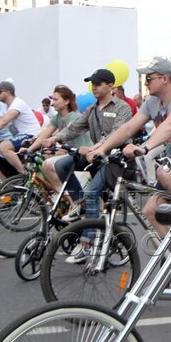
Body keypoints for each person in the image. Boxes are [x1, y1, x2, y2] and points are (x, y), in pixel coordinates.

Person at [87, 57, 171, 239]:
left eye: (149, 78)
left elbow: (170, 125)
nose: (145, 83)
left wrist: (144, 148)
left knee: (164, 172)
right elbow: (128, 128)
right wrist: (102, 149)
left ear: (164, 79)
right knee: (150, 210)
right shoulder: (151, 102)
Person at [46, 70, 133, 242]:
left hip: (115, 159)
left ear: (110, 86)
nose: (94, 87)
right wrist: (55, 138)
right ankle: (81, 204)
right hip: (96, 157)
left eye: (98, 84)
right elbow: (74, 127)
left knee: (92, 192)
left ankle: (88, 241)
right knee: (61, 165)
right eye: (93, 84)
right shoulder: (92, 109)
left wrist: (94, 148)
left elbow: (116, 134)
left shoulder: (122, 108)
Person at [26, 84, 92, 204]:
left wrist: (53, 139)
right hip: (71, 153)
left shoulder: (74, 116)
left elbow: (67, 131)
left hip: (82, 154)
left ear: (66, 101)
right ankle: (62, 196)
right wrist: (29, 149)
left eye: (56, 100)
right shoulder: (57, 117)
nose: (53, 103)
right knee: (46, 159)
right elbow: (45, 134)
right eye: (53, 100)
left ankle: (70, 201)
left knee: (48, 165)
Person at [0, 80, 41, 174]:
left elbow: (4, 121)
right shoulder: (5, 106)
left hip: (31, 134)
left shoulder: (17, 103)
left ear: (8, 92)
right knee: (0, 161)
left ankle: (23, 173)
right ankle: (5, 183)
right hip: (20, 135)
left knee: (3, 147)